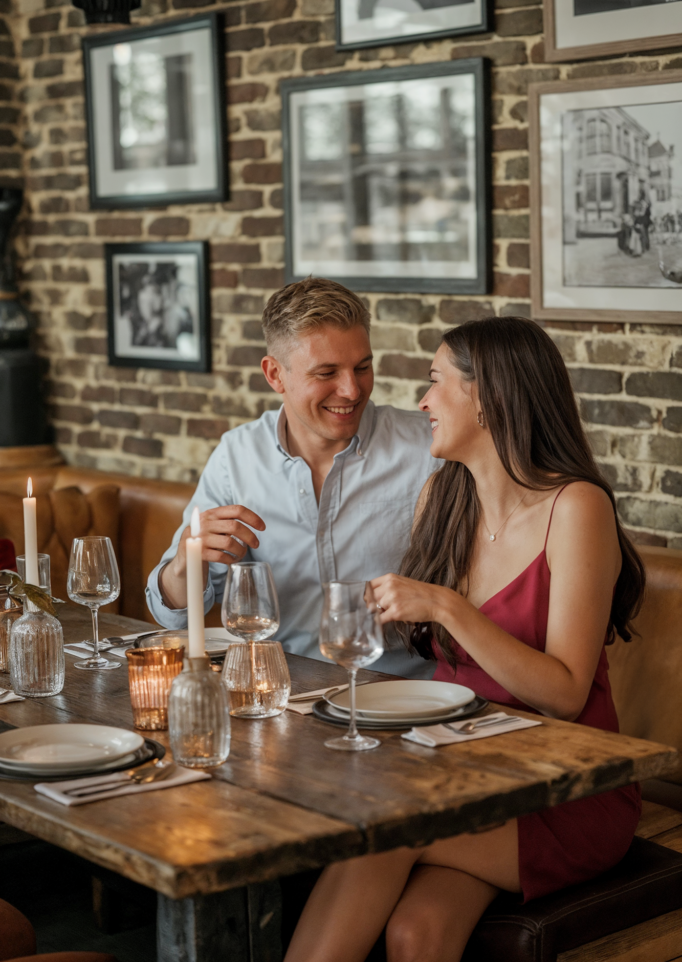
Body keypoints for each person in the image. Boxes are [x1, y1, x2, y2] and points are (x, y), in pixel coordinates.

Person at [284, 316, 644, 962]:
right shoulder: (443, 499)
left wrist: (447, 607)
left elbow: (564, 693)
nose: (422, 402)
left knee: (383, 831)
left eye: (435, 382)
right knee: (417, 934)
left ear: (490, 396)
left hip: (562, 789)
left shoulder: (577, 508)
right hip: (460, 773)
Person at [146, 277, 440, 677]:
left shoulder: (428, 447)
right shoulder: (238, 456)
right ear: (274, 375)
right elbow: (173, 616)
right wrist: (185, 562)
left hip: (405, 696)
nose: (352, 390)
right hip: (281, 697)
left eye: (363, 367)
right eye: (327, 373)